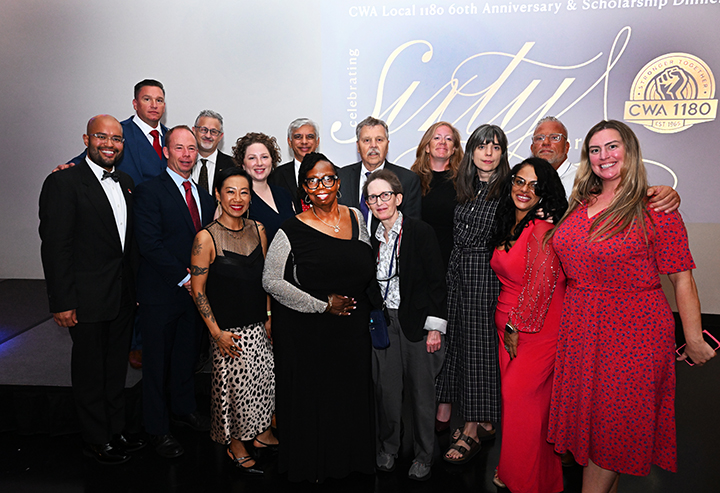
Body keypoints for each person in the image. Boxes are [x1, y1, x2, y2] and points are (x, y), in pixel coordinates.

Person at [547, 120, 715, 493]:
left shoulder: (655, 207)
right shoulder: (580, 203)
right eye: (595, 150)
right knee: (599, 432)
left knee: (613, 430)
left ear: (630, 151)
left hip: (633, 333)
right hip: (580, 331)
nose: (603, 156)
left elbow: (682, 279)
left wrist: (693, 338)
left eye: (612, 147)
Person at [262, 152, 376, 482]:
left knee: (348, 398)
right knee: (315, 400)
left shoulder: (356, 217)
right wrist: (322, 304)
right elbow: (271, 280)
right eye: (312, 181)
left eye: (328, 178)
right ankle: (313, 466)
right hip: (308, 332)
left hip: (352, 330)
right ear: (304, 190)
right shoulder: (290, 229)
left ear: (338, 183)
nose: (321, 186)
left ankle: (350, 461)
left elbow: (365, 262)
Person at [39, 115, 145, 465]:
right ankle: (96, 438)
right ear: (86, 139)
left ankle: (116, 430)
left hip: (122, 296)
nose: (109, 144)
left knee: (115, 369)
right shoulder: (63, 182)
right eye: (102, 137)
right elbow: (56, 247)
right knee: (89, 371)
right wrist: (62, 301)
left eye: (116, 139)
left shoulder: (126, 182)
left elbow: (127, 245)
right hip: (85, 298)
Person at [61, 79, 169, 371]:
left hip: (163, 226)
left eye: (159, 100)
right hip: (129, 223)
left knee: (152, 285)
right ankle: (136, 344)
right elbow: (92, 158)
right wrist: (69, 167)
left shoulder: (170, 137)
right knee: (131, 281)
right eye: (147, 99)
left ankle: (152, 340)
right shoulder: (118, 133)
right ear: (135, 103)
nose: (154, 105)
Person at [134, 125, 216, 458]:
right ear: (166, 151)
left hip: (194, 296)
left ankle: (184, 409)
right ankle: (156, 428)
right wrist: (186, 279)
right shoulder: (148, 191)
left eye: (191, 148)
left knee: (186, 357)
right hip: (162, 293)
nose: (186, 154)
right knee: (156, 365)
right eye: (179, 148)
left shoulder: (205, 197)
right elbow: (149, 244)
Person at [190, 167, 277, 475]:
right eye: (230, 191)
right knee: (236, 394)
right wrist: (216, 334)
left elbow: (266, 279)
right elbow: (198, 291)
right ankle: (236, 444)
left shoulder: (259, 229)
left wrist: (268, 317)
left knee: (264, 383)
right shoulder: (205, 238)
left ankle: (262, 433)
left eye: (244, 192)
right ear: (218, 194)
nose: (237, 199)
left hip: (259, 326)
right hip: (229, 333)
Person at [489, 158, 568, 492]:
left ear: (545, 191)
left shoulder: (542, 230)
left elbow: (540, 289)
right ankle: (531, 475)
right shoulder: (513, 223)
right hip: (510, 326)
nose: (524, 190)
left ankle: (524, 481)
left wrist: (515, 327)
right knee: (526, 407)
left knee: (520, 400)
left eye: (535, 185)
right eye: (519, 181)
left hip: (534, 330)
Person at [435, 124, 511, 463]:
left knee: (480, 351)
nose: (488, 153)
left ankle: (470, 430)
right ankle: (482, 419)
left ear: (503, 153)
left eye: (495, 147)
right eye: (482, 146)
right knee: (460, 347)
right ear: (472, 151)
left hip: (486, 275)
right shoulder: (465, 186)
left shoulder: (508, 189)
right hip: (458, 272)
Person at [365, 169, 447, 481]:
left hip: (418, 323)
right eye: (372, 197)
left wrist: (435, 328)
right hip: (385, 323)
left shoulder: (420, 231)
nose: (379, 202)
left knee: (422, 395)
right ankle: (388, 448)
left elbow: (437, 282)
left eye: (385, 195)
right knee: (386, 392)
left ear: (398, 198)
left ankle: (424, 455)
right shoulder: (371, 238)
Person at [530, 116, 680, 210]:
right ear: (532, 148)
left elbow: (623, 190)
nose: (546, 143)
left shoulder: (586, 180)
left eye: (555, 137)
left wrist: (663, 194)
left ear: (567, 146)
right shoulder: (522, 184)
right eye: (539, 138)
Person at [338, 116, 422, 232]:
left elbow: (412, 229)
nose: (373, 145)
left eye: (379, 140)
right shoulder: (341, 177)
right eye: (367, 140)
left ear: (387, 145)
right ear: (358, 146)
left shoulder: (408, 180)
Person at [410, 121, 464, 268]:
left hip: (454, 260)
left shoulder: (464, 182)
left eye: (448, 139)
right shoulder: (412, 180)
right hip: (420, 258)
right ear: (427, 147)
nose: (443, 142)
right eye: (437, 138)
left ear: (454, 149)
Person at [234, 132, 295, 244]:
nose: (259, 163)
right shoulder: (237, 199)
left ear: (272, 160)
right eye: (252, 158)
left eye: (264, 157)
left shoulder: (283, 194)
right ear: (243, 164)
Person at [269, 118, 320, 212]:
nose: (304, 142)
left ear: (317, 142)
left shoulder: (334, 173)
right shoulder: (276, 176)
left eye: (310, 137)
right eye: (298, 137)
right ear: (289, 142)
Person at [191, 109, 235, 194]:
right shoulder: (183, 161)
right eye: (203, 130)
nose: (208, 135)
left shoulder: (232, 165)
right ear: (194, 131)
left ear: (220, 136)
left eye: (214, 132)